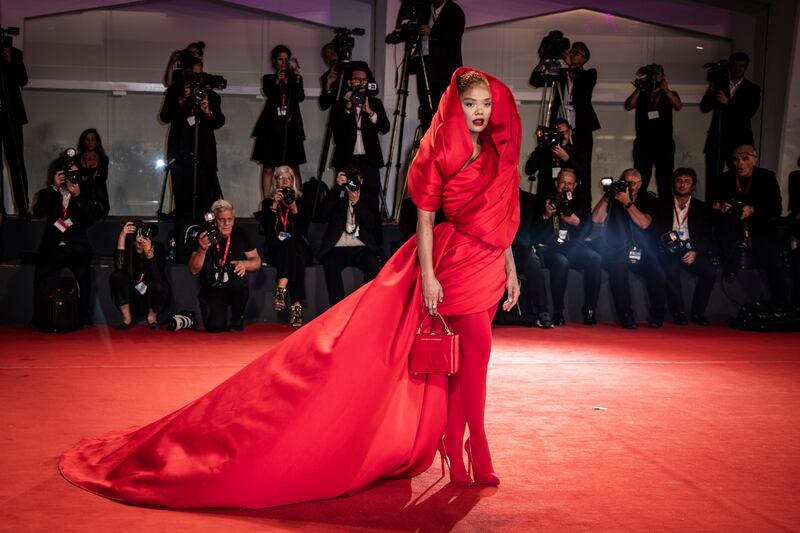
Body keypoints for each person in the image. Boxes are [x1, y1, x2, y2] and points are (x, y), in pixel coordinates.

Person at [59, 67, 521, 507]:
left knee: (468, 364)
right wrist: (430, 275)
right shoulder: (437, 150)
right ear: (455, 107)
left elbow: (504, 222)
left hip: (491, 264)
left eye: (484, 103)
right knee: (469, 358)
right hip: (452, 263)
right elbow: (422, 222)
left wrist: (512, 270)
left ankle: (461, 451)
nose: (478, 111)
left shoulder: (501, 154)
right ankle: (473, 449)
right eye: (469, 103)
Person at [592, 168, 666, 328]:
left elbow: (644, 223)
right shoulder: (613, 197)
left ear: (639, 184)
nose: (629, 186)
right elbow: (597, 219)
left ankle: (657, 315)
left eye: (632, 183)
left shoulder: (648, 199)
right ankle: (625, 315)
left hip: (642, 250)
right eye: (626, 182)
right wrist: (607, 196)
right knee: (617, 269)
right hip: (616, 248)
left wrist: (628, 203)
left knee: (656, 269)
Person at [713, 145, 785, 305]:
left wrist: (752, 209)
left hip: (759, 226)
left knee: (773, 263)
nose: (740, 163)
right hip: (732, 226)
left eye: (745, 159)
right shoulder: (725, 178)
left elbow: (776, 209)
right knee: (721, 233)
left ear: (754, 160)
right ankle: (730, 266)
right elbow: (714, 204)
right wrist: (723, 206)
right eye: (736, 159)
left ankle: (781, 305)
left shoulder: (766, 177)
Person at [159, 55, 225, 220]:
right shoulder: (175, 92)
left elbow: (219, 121)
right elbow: (165, 116)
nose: (196, 80)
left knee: (206, 201)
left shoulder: (211, 96)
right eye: (192, 76)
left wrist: (207, 112)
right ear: (184, 74)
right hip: (181, 155)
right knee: (182, 201)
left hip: (204, 156)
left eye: (199, 75)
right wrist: (181, 100)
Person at [31, 163, 96, 327]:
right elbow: (38, 212)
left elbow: (90, 220)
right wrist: (54, 187)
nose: (71, 176)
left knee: (83, 275)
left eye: (75, 173)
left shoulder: (85, 192)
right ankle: (39, 316)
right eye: (68, 173)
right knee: (41, 274)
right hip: (54, 246)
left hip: (76, 246)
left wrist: (79, 197)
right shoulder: (48, 193)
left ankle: (83, 316)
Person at [535, 169, 600, 326]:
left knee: (595, 258)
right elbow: (534, 230)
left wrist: (576, 222)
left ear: (575, 185)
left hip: (573, 248)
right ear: (556, 183)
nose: (566, 186)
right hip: (550, 249)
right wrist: (545, 214)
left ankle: (590, 310)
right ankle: (558, 312)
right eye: (563, 182)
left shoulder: (580, 203)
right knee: (561, 262)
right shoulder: (546, 201)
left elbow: (589, 229)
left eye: (570, 183)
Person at [651, 168, 716, 325]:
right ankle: (678, 312)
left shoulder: (702, 207)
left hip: (691, 249)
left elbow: (708, 235)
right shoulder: (662, 205)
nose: (682, 184)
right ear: (673, 184)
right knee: (671, 270)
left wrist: (695, 251)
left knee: (710, 272)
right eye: (679, 181)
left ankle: (698, 313)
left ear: (693, 186)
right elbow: (654, 230)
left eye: (687, 181)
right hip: (668, 249)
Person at [530, 41, 599, 183]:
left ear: (584, 58)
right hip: (561, 116)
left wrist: (572, 65)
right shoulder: (560, 73)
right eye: (571, 51)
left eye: (577, 52)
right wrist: (543, 60)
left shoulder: (590, 73)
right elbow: (535, 81)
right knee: (553, 155)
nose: (572, 54)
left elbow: (583, 80)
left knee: (581, 160)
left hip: (580, 123)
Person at [188, 199, 261, 332]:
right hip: (212, 286)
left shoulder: (240, 234)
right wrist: (202, 249)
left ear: (234, 219)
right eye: (222, 219)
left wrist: (245, 264)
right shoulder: (203, 236)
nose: (226, 223)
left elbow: (256, 261)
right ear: (214, 220)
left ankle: (237, 319)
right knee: (215, 327)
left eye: (230, 219)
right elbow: (194, 269)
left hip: (234, 284)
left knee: (240, 284)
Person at [701, 52, 761, 203]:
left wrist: (728, 102)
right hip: (717, 139)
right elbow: (705, 106)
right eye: (734, 65)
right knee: (713, 177)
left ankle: (738, 209)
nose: (738, 69)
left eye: (741, 66)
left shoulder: (752, 88)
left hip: (739, 140)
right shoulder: (720, 85)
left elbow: (748, 112)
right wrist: (712, 86)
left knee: (740, 177)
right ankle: (712, 210)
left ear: (746, 67)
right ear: (729, 66)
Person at [318, 166, 382, 306]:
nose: (353, 183)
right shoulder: (338, 198)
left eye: (356, 179)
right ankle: (338, 308)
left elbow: (372, 223)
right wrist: (336, 188)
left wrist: (357, 202)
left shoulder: (370, 200)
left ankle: (369, 306)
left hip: (361, 247)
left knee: (372, 261)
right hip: (338, 247)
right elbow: (324, 213)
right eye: (350, 180)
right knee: (330, 261)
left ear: (362, 181)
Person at [330, 62, 391, 204]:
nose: (361, 83)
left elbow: (385, 128)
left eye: (364, 80)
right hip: (347, 159)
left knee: (371, 198)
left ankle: (372, 226)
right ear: (350, 82)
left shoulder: (375, 103)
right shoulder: (340, 104)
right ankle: (349, 226)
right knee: (347, 199)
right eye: (357, 80)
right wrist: (347, 107)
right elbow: (336, 132)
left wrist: (370, 112)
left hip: (369, 160)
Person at [259, 166, 312, 327]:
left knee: (292, 243)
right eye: (281, 178)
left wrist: (294, 209)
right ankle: (296, 306)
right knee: (293, 253)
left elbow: (304, 229)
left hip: (300, 246)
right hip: (277, 249)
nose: (285, 181)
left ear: (293, 181)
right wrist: (274, 205)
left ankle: (281, 286)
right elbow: (267, 230)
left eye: (288, 178)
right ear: (275, 182)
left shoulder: (301, 200)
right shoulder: (268, 202)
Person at [252, 45, 306, 199]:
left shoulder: (296, 78)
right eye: (280, 59)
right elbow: (269, 92)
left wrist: (295, 78)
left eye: (286, 59)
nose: (283, 62)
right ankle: (267, 202)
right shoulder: (269, 79)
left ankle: (296, 200)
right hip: (271, 129)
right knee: (268, 167)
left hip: (291, 129)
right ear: (274, 61)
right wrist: (278, 80)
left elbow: (300, 97)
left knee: (294, 167)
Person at [624, 64, 682, 199]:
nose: (654, 77)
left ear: (663, 76)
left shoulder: (669, 93)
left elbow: (678, 105)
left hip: (664, 143)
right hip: (644, 144)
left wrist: (666, 90)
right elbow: (628, 105)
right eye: (651, 75)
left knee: (665, 181)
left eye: (657, 74)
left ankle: (664, 213)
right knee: (640, 179)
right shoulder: (642, 93)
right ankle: (639, 210)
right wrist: (639, 88)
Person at [410, 0, 465, 125]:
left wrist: (432, 32)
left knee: (444, 106)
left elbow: (455, 36)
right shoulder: (425, 9)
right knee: (425, 105)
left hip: (444, 68)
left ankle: (442, 139)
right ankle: (427, 137)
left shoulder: (454, 10)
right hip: (424, 62)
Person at [109, 221, 171, 329]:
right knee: (116, 276)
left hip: (150, 295)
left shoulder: (157, 247)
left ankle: (152, 319)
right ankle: (126, 319)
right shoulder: (128, 247)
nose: (140, 241)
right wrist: (122, 235)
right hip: (131, 295)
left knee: (160, 285)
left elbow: (157, 277)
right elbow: (119, 266)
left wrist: (149, 254)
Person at [524, 117, 589, 201]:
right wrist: (541, 146)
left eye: (563, 133)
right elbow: (528, 170)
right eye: (557, 134)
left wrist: (566, 158)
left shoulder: (577, 152)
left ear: (570, 132)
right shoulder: (544, 151)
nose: (561, 137)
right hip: (545, 199)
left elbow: (584, 175)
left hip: (569, 200)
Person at [0, 41, 30, 218]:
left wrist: (10, 58)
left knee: (17, 161)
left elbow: (23, 80)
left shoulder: (15, 54)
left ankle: (23, 206)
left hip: (12, 116)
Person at [76, 128, 110, 219]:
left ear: (97, 141)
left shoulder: (103, 159)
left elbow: (101, 179)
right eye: (87, 139)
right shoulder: (76, 159)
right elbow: (76, 180)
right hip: (79, 201)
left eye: (93, 139)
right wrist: (91, 178)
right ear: (83, 142)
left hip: (99, 201)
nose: (90, 142)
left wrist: (84, 178)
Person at [318, 42, 341, 111]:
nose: (330, 58)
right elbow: (324, 105)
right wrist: (328, 87)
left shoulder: (355, 69)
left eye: (332, 53)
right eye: (326, 57)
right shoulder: (325, 77)